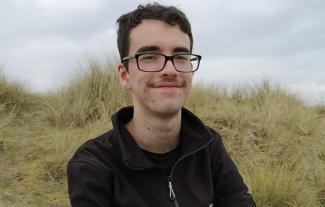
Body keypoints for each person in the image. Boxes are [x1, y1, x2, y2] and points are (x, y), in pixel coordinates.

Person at [67, 3, 256, 207]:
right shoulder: (93, 166)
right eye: (149, 57)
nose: (169, 69)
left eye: (180, 56)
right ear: (125, 75)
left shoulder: (209, 147)